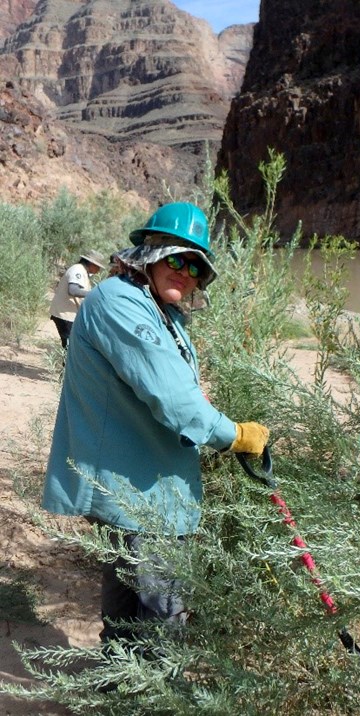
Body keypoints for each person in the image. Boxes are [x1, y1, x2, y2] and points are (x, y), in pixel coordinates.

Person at [42, 201, 269, 645]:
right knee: (159, 623)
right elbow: (172, 400)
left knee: (127, 617)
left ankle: (119, 692)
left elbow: (171, 386)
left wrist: (199, 409)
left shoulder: (157, 310)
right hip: (145, 498)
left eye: (196, 266)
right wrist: (233, 435)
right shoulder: (120, 301)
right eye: (176, 258)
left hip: (141, 491)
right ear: (148, 253)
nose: (186, 271)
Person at [49, 249, 106, 348]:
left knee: (71, 346)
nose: (98, 270)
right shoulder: (77, 270)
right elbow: (73, 290)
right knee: (70, 346)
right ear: (91, 264)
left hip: (69, 314)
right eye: (98, 267)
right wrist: (95, 294)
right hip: (65, 315)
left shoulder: (82, 271)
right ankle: (67, 363)